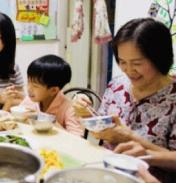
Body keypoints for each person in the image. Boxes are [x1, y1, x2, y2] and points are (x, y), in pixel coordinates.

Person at [75, 18, 176, 149]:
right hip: (106, 165)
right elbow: (101, 130)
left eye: (137, 63)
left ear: (159, 58)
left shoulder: (172, 100)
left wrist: (131, 138)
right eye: (122, 62)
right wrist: (86, 113)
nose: (128, 70)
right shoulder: (117, 85)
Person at [18, 54, 83, 136]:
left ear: (53, 90)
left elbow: (77, 139)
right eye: (28, 82)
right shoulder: (30, 99)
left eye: (35, 86)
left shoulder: (69, 108)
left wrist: (50, 121)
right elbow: (18, 124)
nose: (29, 89)